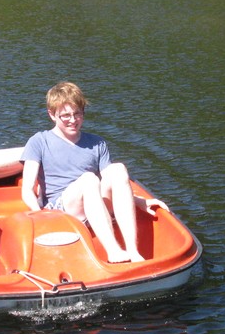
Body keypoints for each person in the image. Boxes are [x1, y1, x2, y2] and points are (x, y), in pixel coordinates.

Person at [20, 81, 167, 263]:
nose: (73, 120)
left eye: (77, 114)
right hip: (62, 209)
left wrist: (139, 201)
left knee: (118, 169)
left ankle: (133, 250)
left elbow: (113, 183)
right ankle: (114, 251)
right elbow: (27, 189)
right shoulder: (39, 141)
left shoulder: (97, 143)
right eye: (65, 115)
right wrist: (38, 214)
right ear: (52, 114)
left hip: (95, 204)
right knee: (89, 179)